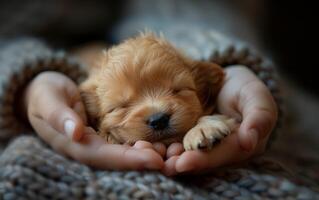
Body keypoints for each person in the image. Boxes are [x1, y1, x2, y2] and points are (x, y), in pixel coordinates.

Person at [2, 1, 314, 199]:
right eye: (120, 107)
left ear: (203, 83)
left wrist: (228, 64)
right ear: (89, 111)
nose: (158, 114)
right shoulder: (82, 100)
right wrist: (24, 87)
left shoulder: (209, 81)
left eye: (178, 90)